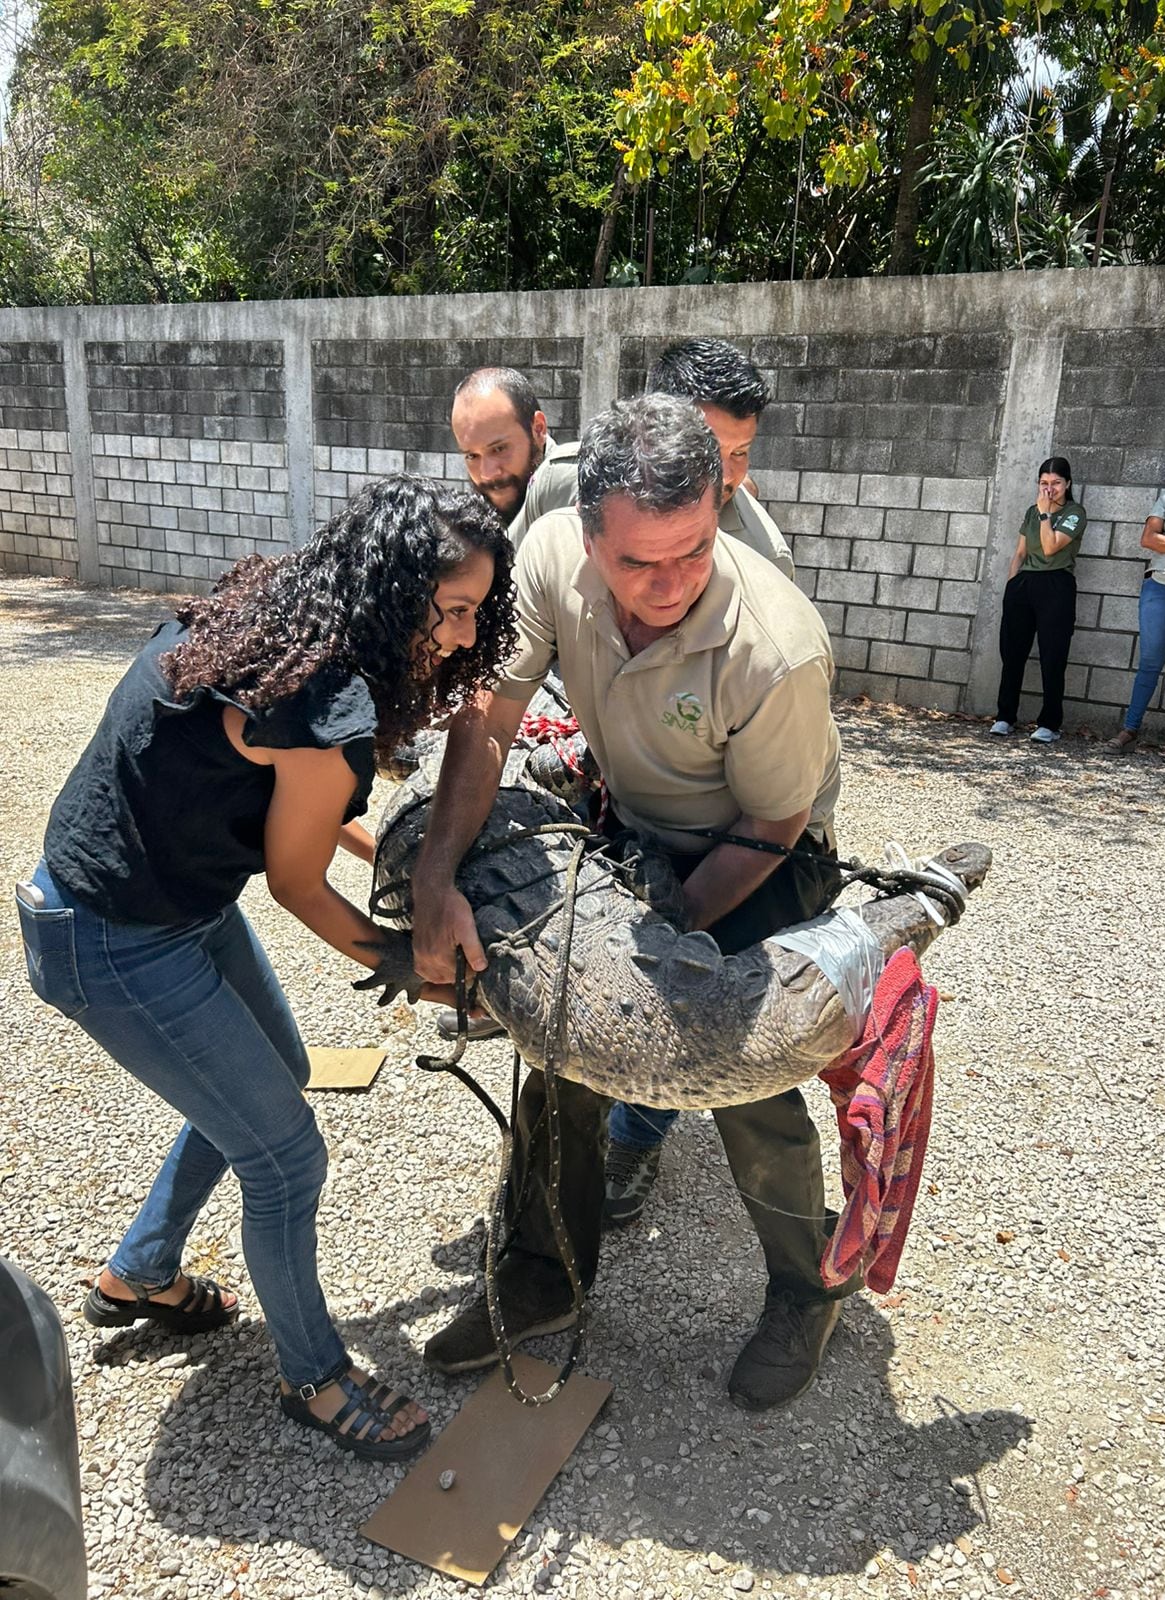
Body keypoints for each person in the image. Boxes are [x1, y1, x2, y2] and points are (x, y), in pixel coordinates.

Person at [14, 477, 516, 1462]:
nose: (463, 639)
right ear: (390, 591)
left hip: (164, 904)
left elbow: (309, 819)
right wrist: (422, 971)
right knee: (285, 1156)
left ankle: (141, 1271)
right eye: (451, 610)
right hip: (109, 938)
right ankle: (316, 1379)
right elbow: (295, 884)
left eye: (477, 613)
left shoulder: (286, 608)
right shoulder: (323, 694)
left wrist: (409, 861)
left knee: (272, 1079)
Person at [410, 395, 852, 1412]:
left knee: (740, 1067)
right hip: (638, 829)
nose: (670, 584)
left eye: (693, 551)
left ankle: (808, 1285)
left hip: (758, 852)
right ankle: (542, 1274)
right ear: (587, 533)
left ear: (717, 509)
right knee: (563, 1035)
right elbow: (490, 720)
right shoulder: (547, 557)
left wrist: (663, 942)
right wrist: (434, 877)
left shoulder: (776, 646)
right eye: (638, 562)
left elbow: (776, 821)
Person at [508, 336, 794, 582]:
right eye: (706, 449)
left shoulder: (766, 558)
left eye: (740, 452)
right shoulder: (560, 482)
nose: (727, 475)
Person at [1107, 446, 1165, 765]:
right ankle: (1130, 730)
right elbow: (1147, 539)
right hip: (1158, 588)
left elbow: (1160, 538)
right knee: (1149, 661)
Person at [989, 456, 1087, 744]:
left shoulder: (1074, 513)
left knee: (1053, 656)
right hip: (1025, 584)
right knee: (1012, 652)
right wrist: (1012, 584)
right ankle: (1005, 716)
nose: (1049, 489)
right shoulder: (1032, 512)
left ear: (1068, 484)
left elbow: (1049, 547)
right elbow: (1020, 552)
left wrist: (1046, 514)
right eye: (1044, 483)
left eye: (1056, 483)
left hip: (1056, 583)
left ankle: (1049, 723)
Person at [450, 367, 552, 522]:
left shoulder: (574, 497)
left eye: (499, 449)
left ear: (538, 429)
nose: (488, 474)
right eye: (472, 456)